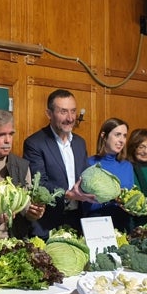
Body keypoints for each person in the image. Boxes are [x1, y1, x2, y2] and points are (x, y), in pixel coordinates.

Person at [23, 89, 95, 239]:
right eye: (63, 112)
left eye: (73, 111)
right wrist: (68, 194)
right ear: (49, 114)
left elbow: (86, 177)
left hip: (77, 221)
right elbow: (39, 184)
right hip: (47, 224)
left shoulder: (80, 143)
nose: (70, 118)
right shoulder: (34, 143)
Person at [0, 109, 45, 238]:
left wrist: (33, 213)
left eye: (11, 134)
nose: (8, 140)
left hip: (13, 239)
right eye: (1, 135)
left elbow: (26, 210)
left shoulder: (22, 166)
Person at [82, 118, 134, 232]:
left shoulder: (127, 166)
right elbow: (84, 202)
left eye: (124, 136)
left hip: (123, 225)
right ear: (104, 136)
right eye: (117, 135)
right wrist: (112, 196)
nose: (122, 140)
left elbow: (131, 198)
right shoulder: (89, 164)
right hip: (96, 224)